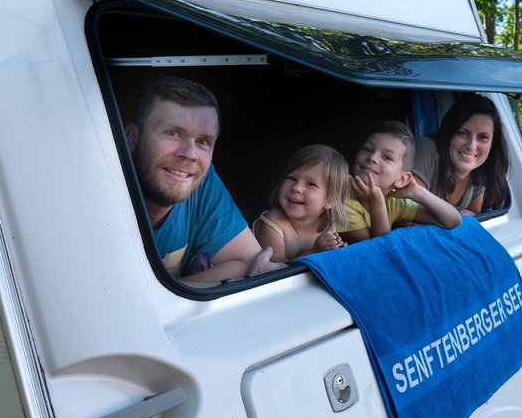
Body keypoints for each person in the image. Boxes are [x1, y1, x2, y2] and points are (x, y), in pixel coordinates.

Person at [124, 76, 283, 286]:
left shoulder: (202, 180)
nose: (190, 154)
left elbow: (248, 261)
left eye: (202, 142)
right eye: (173, 133)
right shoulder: (96, 188)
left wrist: (169, 294)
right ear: (132, 138)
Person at [337, 120, 462, 243]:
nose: (372, 158)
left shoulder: (394, 203)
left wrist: (417, 192)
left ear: (402, 179)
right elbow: (379, 249)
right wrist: (376, 200)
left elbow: (454, 220)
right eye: (367, 149)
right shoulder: (342, 202)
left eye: (387, 157)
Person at [412, 94, 510, 217]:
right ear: (449, 132)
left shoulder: (478, 178)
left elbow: (471, 223)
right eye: (462, 133)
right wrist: (456, 216)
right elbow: (407, 218)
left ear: (492, 144)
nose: (471, 146)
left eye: (482, 137)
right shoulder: (427, 149)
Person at [253, 144, 352, 263]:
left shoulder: (327, 227)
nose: (297, 188)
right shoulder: (273, 224)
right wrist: (314, 252)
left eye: (311, 184)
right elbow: (273, 273)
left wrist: (335, 250)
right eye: (292, 178)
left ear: (330, 200)